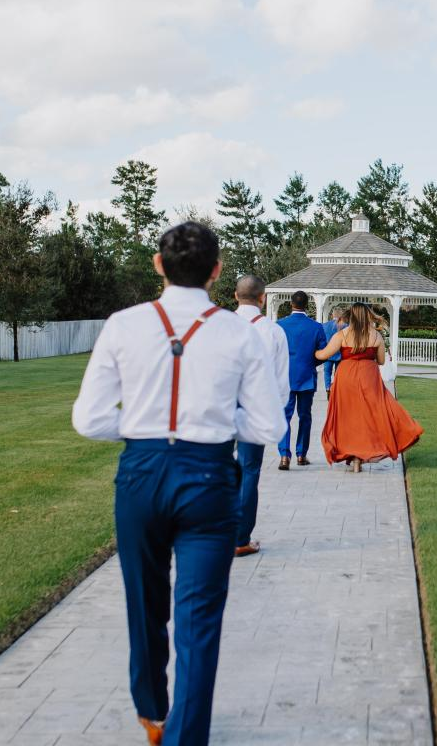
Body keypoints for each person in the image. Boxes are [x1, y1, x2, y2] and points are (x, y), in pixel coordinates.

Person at [71, 222, 285, 746]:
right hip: (208, 477)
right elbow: (267, 427)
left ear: (157, 264)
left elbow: (89, 419)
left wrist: (147, 428)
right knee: (199, 616)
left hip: (141, 475)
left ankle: (153, 714)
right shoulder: (241, 332)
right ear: (216, 272)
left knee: (143, 602)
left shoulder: (123, 325)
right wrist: (210, 424)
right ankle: (186, 735)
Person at [315, 302, 423, 472]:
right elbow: (380, 361)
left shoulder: (342, 334)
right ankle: (361, 454)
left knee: (348, 417)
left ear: (351, 315)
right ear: (367, 316)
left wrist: (312, 351)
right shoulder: (376, 336)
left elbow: (323, 355)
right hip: (368, 376)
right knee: (373, 414)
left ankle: (354, 455)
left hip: (346, 377)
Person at [232, 274, 290, 557]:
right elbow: (280, 380)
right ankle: (240, 538)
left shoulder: (218, 326)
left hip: (217, 407)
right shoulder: (273, 331)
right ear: (263, 298)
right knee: (249, 470)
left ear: (235, 296)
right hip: (254, 408)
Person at [275, 290, 328, 470]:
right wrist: (311, 362)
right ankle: (301, 454)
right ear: (307, 305)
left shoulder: (280, 325)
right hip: (306, 376)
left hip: (285, 378)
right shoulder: (316, 327)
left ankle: (284, 455)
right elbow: (323, 353)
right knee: (305, 416)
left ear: (291, 304)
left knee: (284, 416)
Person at [322, 307, 346, 396]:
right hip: (340, 353)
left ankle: (328, 388)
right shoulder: (346, 326)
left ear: (333, 315)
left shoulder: (324, 325)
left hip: (328, 353)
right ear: (341, 315)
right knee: (338, 373)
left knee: (327, 372)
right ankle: (336, 389)